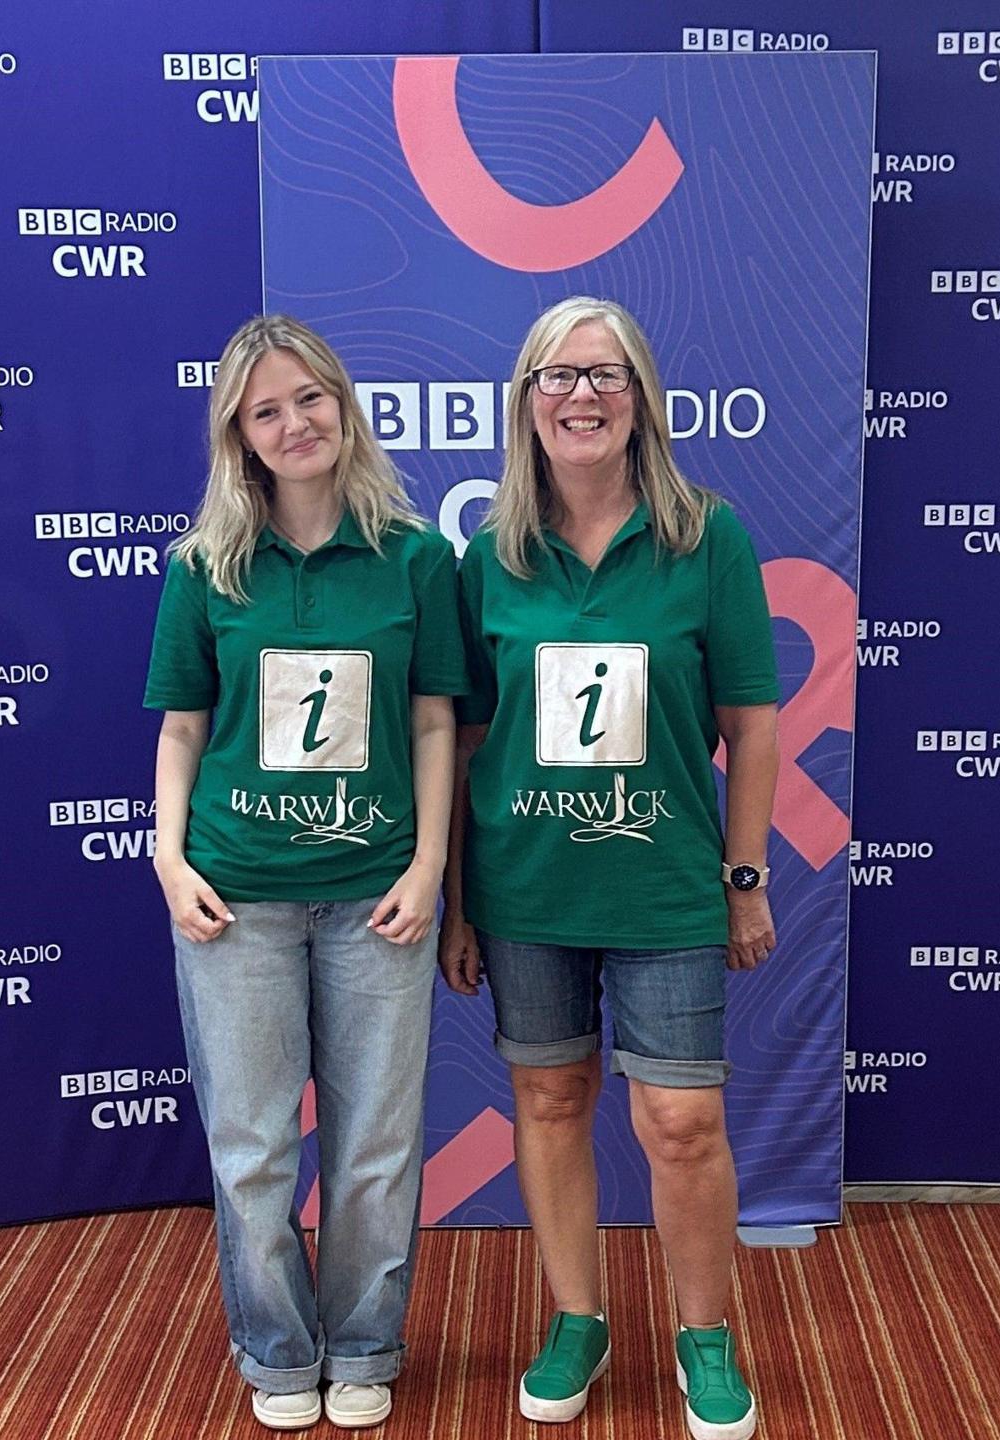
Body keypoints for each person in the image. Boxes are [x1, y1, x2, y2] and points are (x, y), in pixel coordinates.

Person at [441, 297, 780, 1440]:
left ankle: (703, 1337)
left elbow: (755, 719)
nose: (580, 395)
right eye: (555, 375)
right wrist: (457, 904)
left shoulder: (705, 537)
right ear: (525, 403)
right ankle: (577, 1318)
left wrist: (745, 877)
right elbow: (467, 740)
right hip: (526, 890)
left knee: (681, 1122)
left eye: (606, 374)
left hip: (664, 888)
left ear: (640, 400)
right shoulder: (489, 556)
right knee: (549, 1098)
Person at [145, 315, 464, 1431]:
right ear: (238, 433)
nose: (295, 424)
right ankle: (279, 1351)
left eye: (310, 399)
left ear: (343, 406)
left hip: (378, 897)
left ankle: (365, 1342)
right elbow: (184, 729)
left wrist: (429, 864)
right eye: (266, 410)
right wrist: (166, 854)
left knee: (376, 1146)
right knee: (252, 1148)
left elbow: (434, 724)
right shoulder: (204, 568)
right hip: (236, 898)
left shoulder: (417, 558)